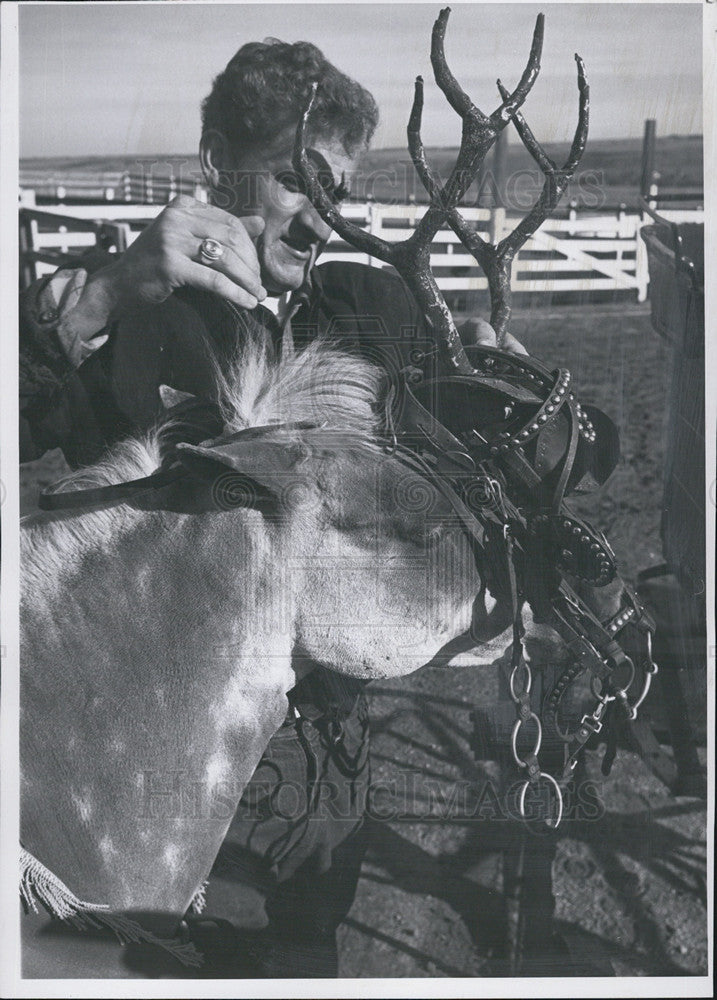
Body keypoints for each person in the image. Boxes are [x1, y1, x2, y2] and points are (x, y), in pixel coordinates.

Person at [20, 38, 520, 977]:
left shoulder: (361, 309)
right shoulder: (131, 317)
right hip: (146, 794)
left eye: (338, 188)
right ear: (217, 163)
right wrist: (104, 298)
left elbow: (483, 437)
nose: (323, 214)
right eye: (298, 180)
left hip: (326, 805)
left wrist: (493, 374)